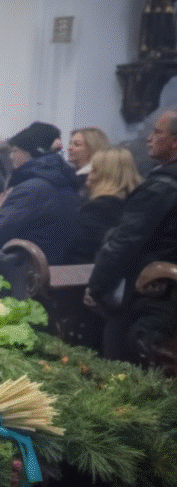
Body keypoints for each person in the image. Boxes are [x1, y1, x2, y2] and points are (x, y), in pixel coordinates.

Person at [86, 108, 177, 364]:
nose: (149, 138)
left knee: (120, 365)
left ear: (175, 141)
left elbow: (125, 241)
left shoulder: (162, 186)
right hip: (167, 295)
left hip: (150, 296)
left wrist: (97, 287)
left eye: (157, 132)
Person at [0, 121, 80, 269]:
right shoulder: (64, 181)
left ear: (30, 153)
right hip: (53, 266)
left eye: (15, 151)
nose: (11, 156)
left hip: (23, 269)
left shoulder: (31, 189)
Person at [68, 147, 143, 263]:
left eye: (93, 170)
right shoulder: (141, 205)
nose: (89, 177)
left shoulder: (96, 210)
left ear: (107, 175)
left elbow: (80, 255)